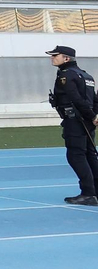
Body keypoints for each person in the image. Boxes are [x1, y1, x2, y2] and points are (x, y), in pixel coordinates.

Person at [48, 44, 98, 206]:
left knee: (76, 155)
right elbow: (94, 99)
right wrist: (94, 116)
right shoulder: (86, 75)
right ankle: (94, 191)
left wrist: (91, 116)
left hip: (75, 120)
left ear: (66, 58)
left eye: (56, 55)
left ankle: (88, 193)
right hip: (87, 121)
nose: (52, 58)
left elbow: (76, 99)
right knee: (90, 155)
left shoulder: (66, 75)